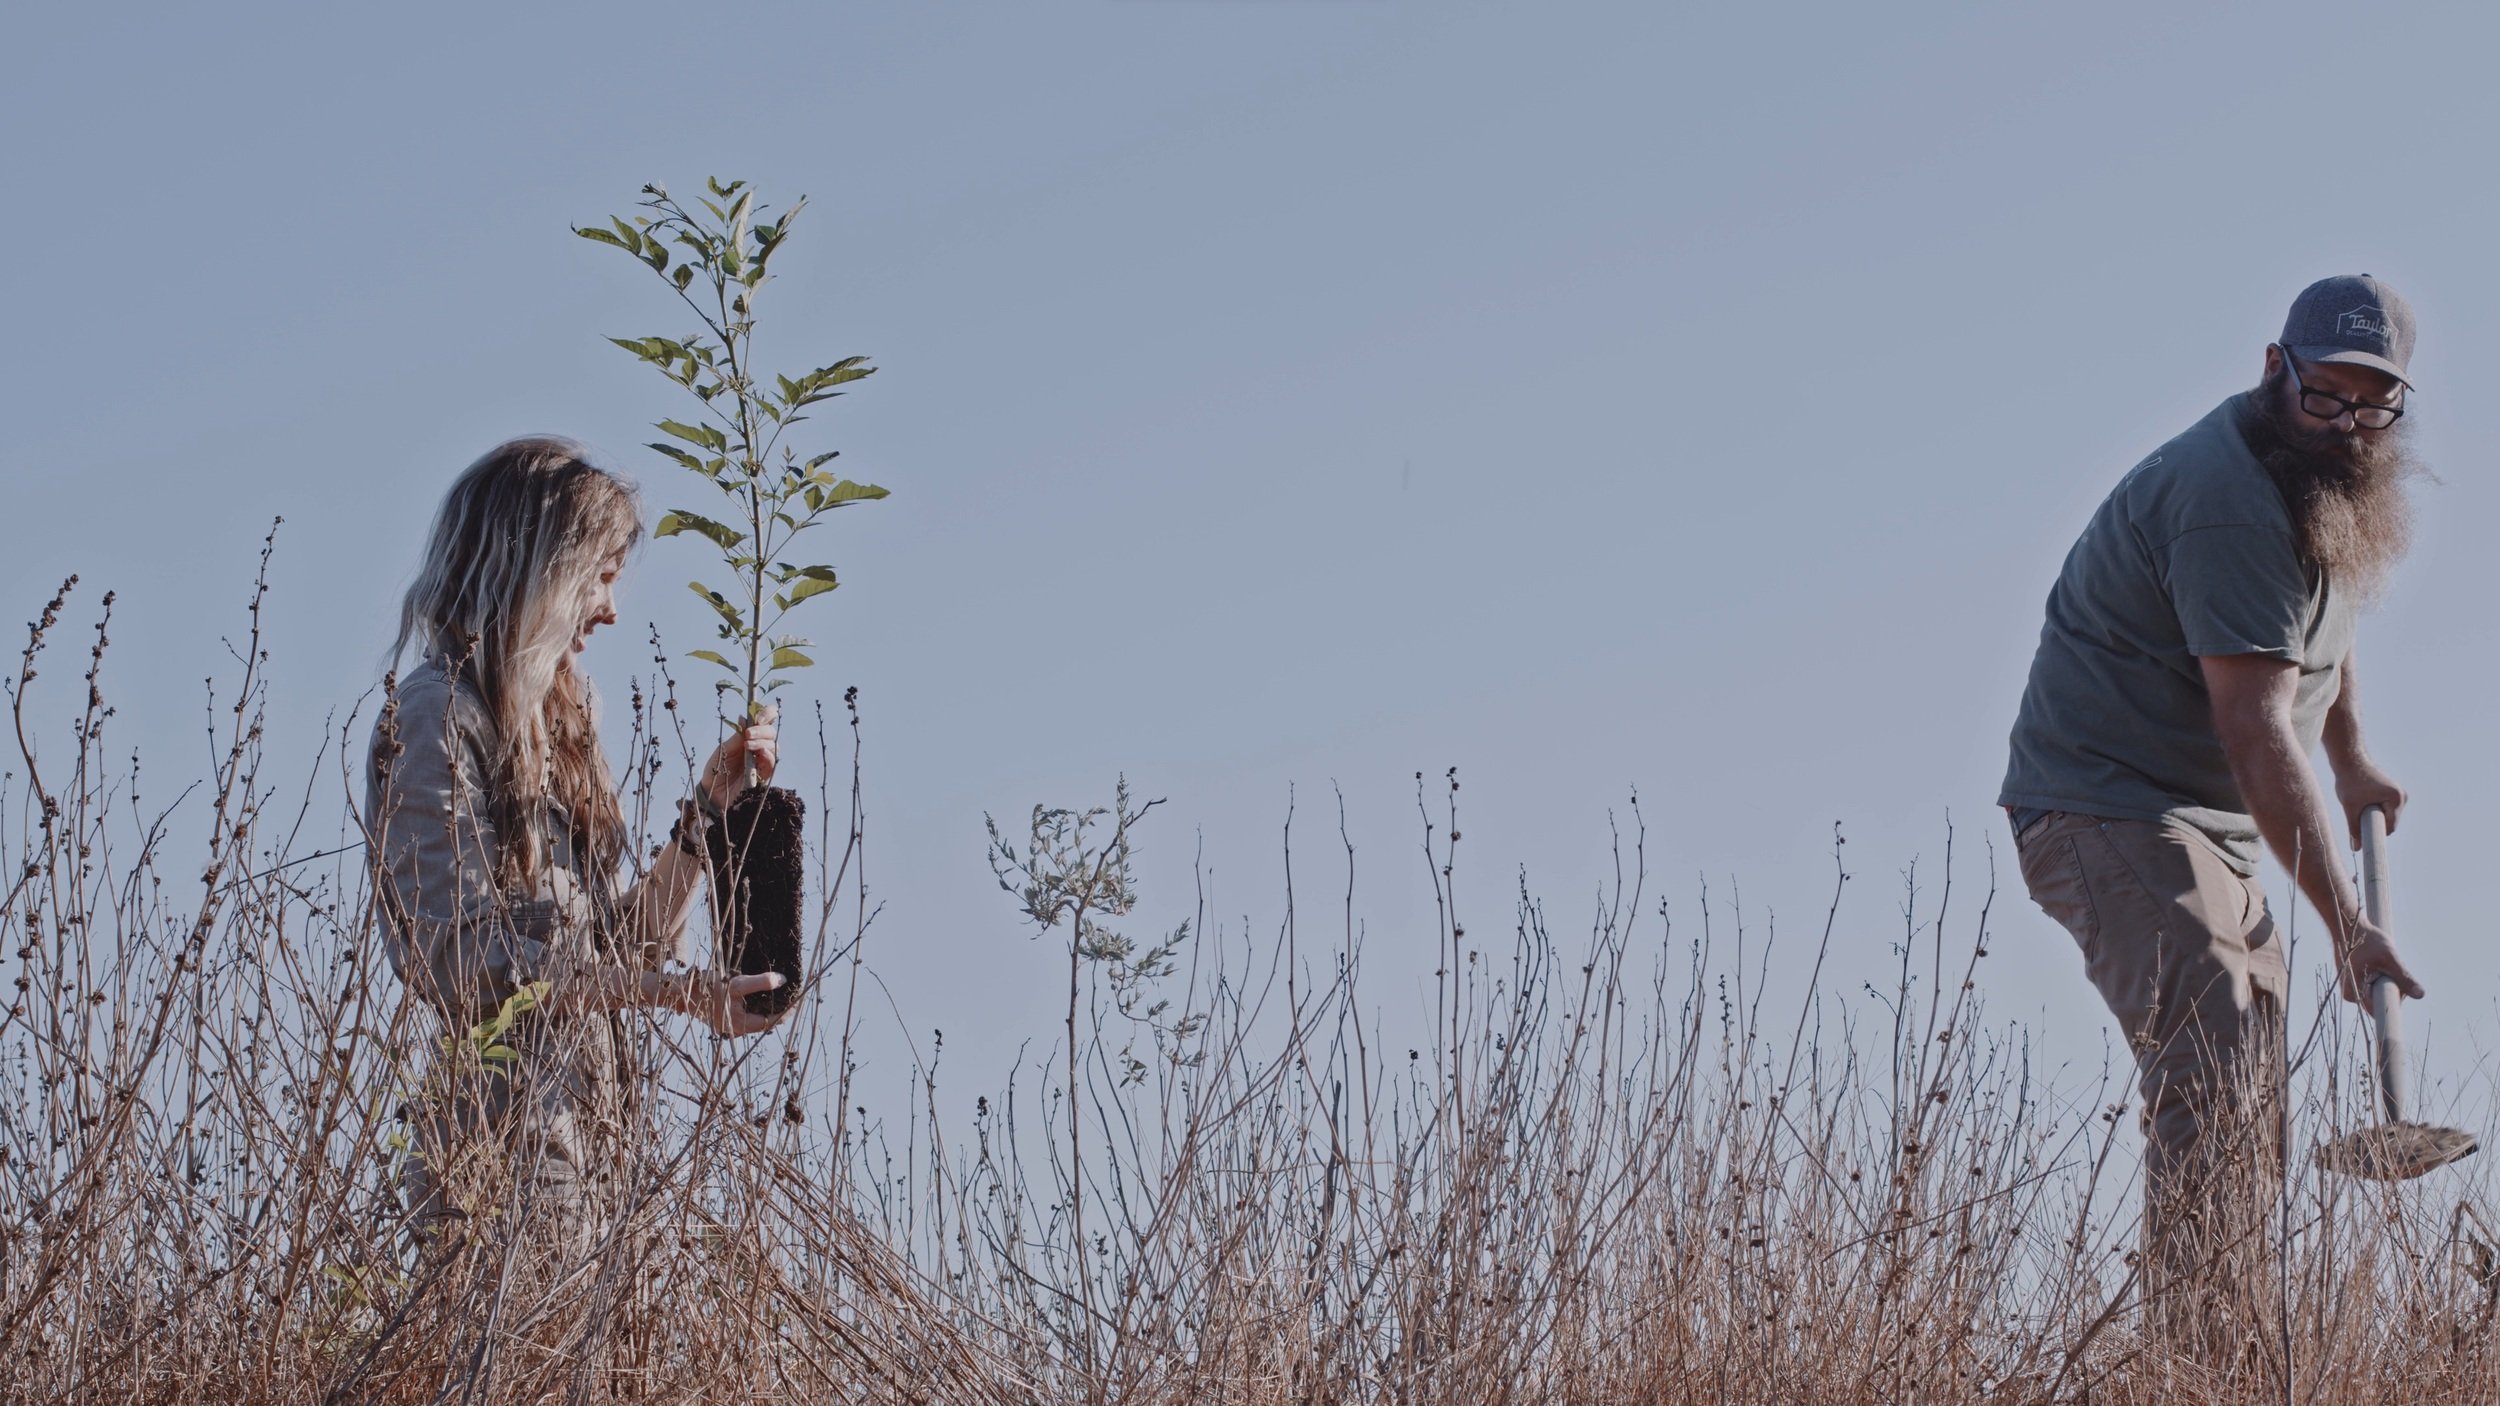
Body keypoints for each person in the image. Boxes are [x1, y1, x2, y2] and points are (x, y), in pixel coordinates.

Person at [1999, 274, 2430, 1355]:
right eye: (2324, 396)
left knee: (2244, 1052)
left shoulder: (2326, 483)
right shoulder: (2228, 494)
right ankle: (2203, 1359)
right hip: (2105, 802)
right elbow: (2253, 726)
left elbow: (2315, 635)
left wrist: (2355, 760)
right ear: (2273, 369)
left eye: (2370, 405)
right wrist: (2347, 923)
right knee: (2214, 1031)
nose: (2344, 423)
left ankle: (2227, 1339)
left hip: (2208, 818)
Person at [366, 436, 786, 1253]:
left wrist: (708, 815)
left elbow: (618, 949)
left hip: (599, 1146)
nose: (612, 610)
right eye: (600, 576)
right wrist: (674, 993)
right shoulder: (428, 718)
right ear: (535, 566)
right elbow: (455, 959)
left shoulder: (559, 719)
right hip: (495, 1161)